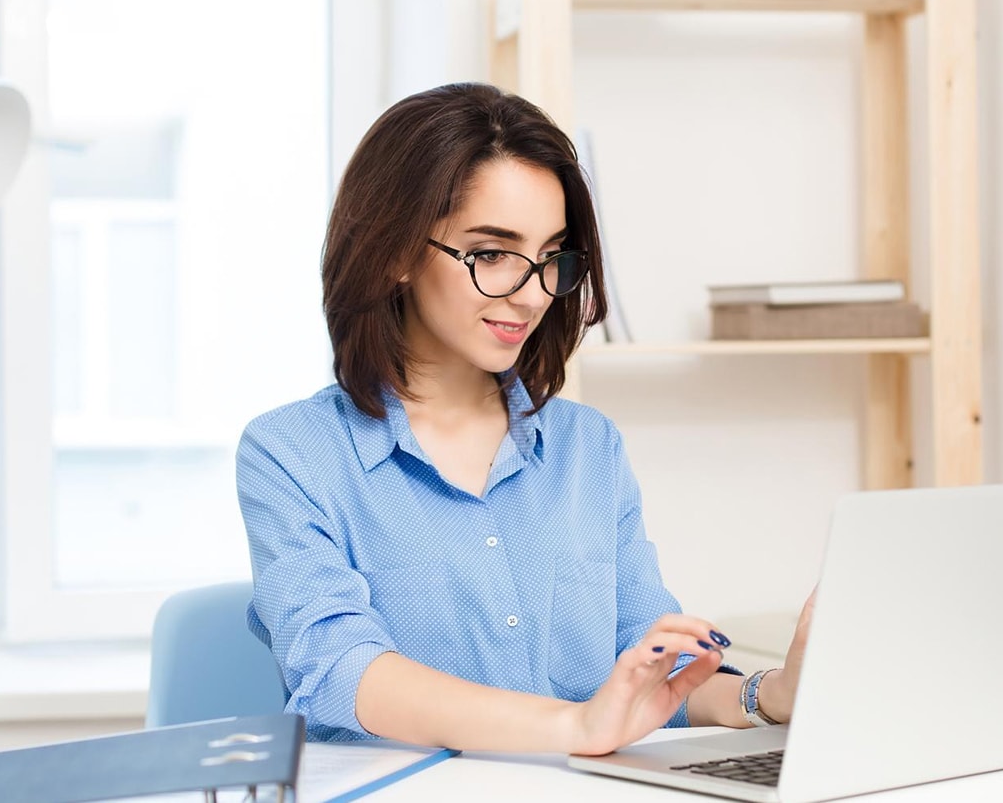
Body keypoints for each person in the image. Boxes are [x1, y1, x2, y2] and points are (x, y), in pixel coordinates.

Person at [237, 82, 814, 754]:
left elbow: (647, 667)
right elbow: (340, 671)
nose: (532, 292)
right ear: (394, 251)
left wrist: (768, 694)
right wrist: (572, 726)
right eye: (490, 253)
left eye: (551, 257)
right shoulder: (292, 453)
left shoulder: (588, 448)